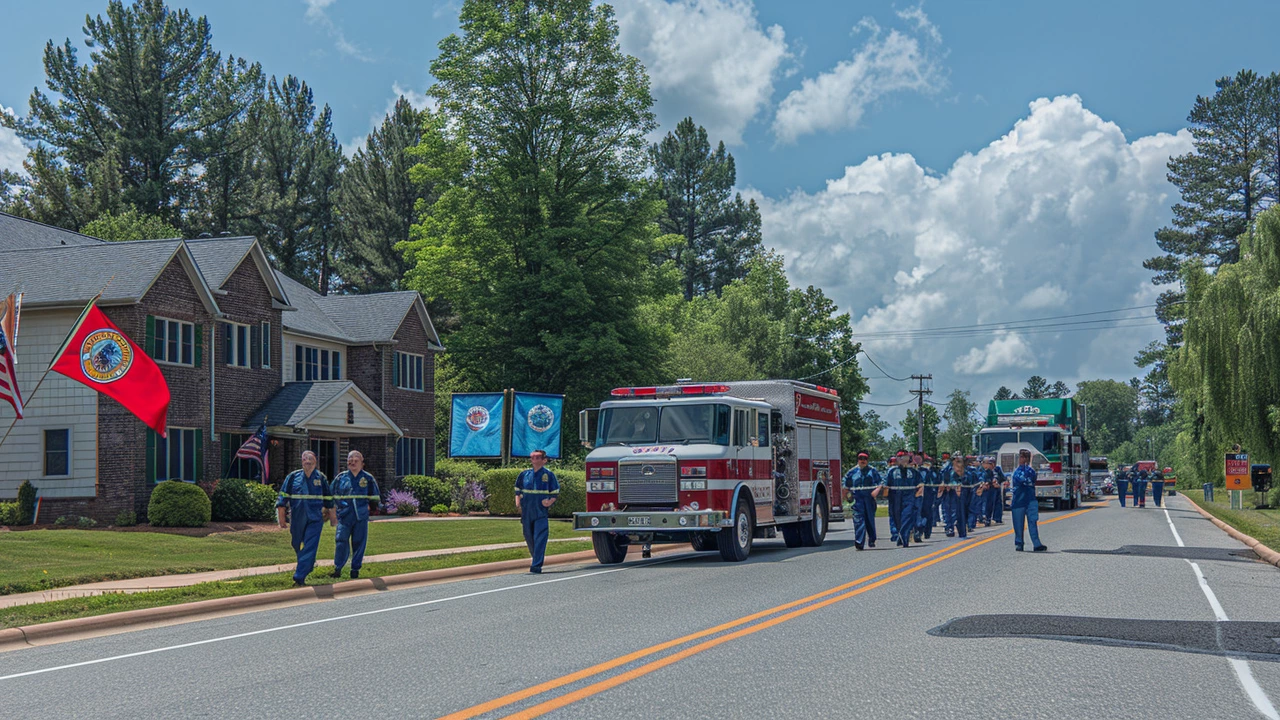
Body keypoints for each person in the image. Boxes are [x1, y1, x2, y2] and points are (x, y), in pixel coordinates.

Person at [276, 450, 334, 587]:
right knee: (296, 544)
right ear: (302, 461)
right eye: (305, 459)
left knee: (310, 545)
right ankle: (307, 564)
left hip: (315, 518)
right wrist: (281, 518)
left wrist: (332, 517)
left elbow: (329, 499)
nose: (307, 461)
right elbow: (282, 497)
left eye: (310, 459)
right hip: (297, 517)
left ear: (315, 461)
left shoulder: (321, 478)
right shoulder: (293, 477)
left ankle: (299, 576)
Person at [330, 450, 380, 580]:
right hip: (344, 516)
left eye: (355, 460)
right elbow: (331, 494)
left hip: (360, 516)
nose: (352, 462)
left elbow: (374, 496)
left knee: (359, 542)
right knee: (340, 540)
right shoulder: (341, 478)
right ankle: (338, 568)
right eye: (350, 460)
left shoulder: (368, 478)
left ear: (362, 463)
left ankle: (355, 569)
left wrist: (373, 507)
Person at [514, 449, 559, 573]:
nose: (534, 460)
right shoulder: (524, 474)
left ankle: (536, 565)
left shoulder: (549, 475)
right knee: (528, 536)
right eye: (532, 457)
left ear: (544, 460)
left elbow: (555, 492)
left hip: (540, 511)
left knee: (540, 537)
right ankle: (536, 557)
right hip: (527, 510)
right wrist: (517, 502)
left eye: (537, 457)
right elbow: (518, 489)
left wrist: (549, 502)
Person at [843, 451, 884, 550]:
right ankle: (859, 542)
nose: (863, 461)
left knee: (869, 521)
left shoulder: (872, 471)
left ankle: (872, 539)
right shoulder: (852, 472)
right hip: (857, 500)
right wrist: (846, 496)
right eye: (861, 458)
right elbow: (845, 484)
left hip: (869, 499)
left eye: (865, 459)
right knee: (858, 521)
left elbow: (881, 482)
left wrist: (877, 490)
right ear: (858, 459)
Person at [1011, 449, 1047, 552]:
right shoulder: (1017, 472)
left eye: (1026, 457)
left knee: (1033, 522)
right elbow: (1021, 480)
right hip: (1018, 501)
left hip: (1030, 499)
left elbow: (1032, 479)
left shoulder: (1031, 471)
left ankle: (1037, 544)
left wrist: (1027, 469)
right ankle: (1019, 543)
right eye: (1022, 457)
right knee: (1018, 524)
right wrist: (1024, 471)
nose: (1024, 459)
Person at [885, 451, 923, 548]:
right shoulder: (892, 471)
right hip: (895, 498)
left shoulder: (914, 472)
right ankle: (899, 535)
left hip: (909, 497)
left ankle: (904, 538)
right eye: (900, 457)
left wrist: (916, 494)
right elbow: (886, 485)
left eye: (904, 457)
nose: (902, 459)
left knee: (907, 516)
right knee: (897, 518)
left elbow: (921, 484)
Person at [940, 454, 972, 538]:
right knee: (949, 511)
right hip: (951, 493)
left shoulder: (967, 471)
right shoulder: (947, 469)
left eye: (960, 461)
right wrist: (948, 485)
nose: (959, 463)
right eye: (956, 461)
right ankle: (949, 528)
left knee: (964, 512)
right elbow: (944, 479)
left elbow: (970, 480)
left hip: (964, 493)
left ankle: (963, 529)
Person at [915, 455, 938, 543]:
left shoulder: (930, 472)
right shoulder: (915, 471)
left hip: (929, 495)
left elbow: (934, 482)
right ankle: (918, 531)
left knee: (927, 513)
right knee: (917, 513)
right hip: (917, 495)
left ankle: (926, 531)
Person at [982, 456, 1007, 525]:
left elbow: (1002, 477)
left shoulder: (997, 469)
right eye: (990, 463)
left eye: (993, 463)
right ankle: (987, 518)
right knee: (989, 504)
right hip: (989, 489)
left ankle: (997, 518)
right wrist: (990, 482)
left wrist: (998, 482)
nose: (992, 464)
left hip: (997, 489)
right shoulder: (986, 471)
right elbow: (985, 478)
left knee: (998, 503)